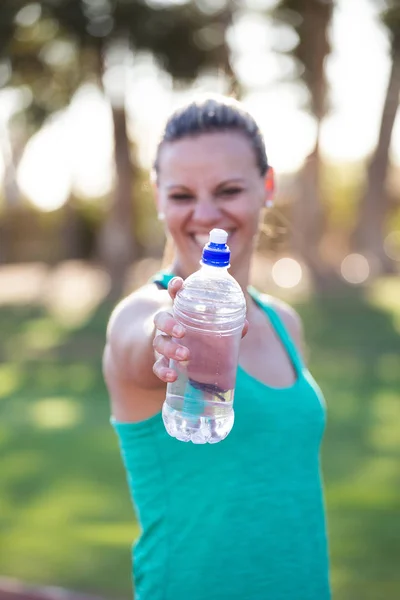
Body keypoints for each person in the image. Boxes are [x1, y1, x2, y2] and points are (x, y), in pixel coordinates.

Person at [103, 95, 331, 600]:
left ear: (267, 187)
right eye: (181, 194)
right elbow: (141, 345)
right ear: (158, 196)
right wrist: (168, 339)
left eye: (228, 189)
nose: (206, 213)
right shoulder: (141, 314)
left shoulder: (284, 323)